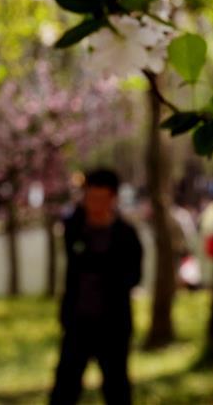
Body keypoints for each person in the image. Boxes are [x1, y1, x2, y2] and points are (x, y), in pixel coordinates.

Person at [48, 168, 143, 405]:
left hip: (113, 324)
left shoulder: (126, 234)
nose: (94, 204)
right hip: (78, 320)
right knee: (65, 387)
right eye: (90, 198)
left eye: (101, 198)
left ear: (113, 198)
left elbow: (134, 276)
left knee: (117, 387)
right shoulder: (74, 227)